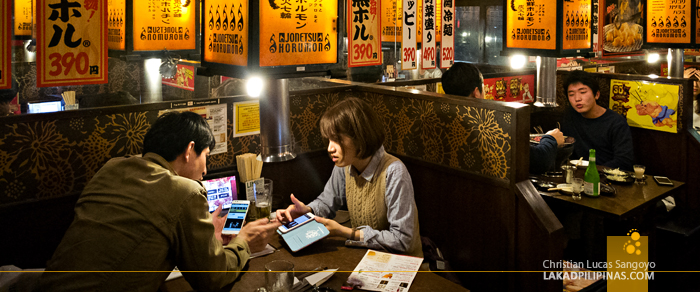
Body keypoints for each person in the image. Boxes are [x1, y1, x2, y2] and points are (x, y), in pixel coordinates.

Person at [39, 111, 279, 292]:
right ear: (190, 150)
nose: (205, 170)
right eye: (206, 156)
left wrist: (203, 236)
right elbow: (212, 277)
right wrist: (243, 242)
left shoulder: (111, 168)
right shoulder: (185, 191)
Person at [276, 97, 423, 257]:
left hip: (403, 264)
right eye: (329, 139)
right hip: (368, 258)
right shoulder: (345, 165)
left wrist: (346, 232)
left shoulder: (394, 172)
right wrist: (306, 211)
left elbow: (403, 241)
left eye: (336, 139)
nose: (330, 148)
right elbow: (326, 202)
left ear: (360, 137)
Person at [441, 62, 565, 174]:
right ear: (476, 93)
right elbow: (538, 162)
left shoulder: (442, 121)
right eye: (484, 88)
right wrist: (551, 139)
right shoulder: (487, 125)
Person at [562, 70, 634, 170]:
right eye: (571, 94)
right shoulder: (569, 116)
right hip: (576, 173)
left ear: (596, 95)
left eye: (583, 92)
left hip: (606, 175)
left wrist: (594, 171)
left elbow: (624, 160)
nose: (577, 98)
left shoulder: (615, 122)